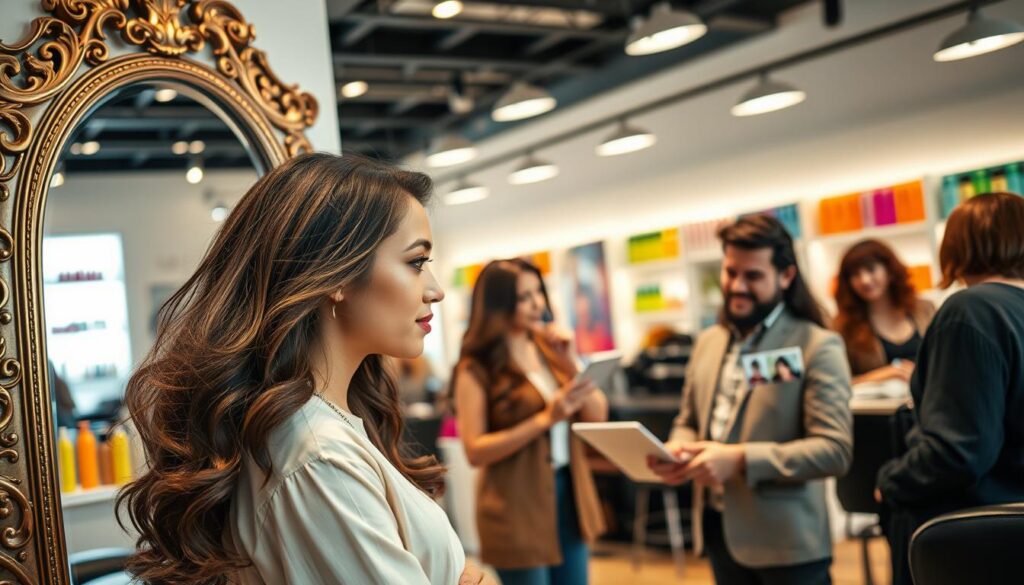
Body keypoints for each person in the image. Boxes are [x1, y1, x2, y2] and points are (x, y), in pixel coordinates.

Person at [118, 154, 491, 585]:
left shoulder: (326, 429)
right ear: (337, 275)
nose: (436, 290)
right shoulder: (319, 458)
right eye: (416, 263)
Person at [649, 214, 853, 585]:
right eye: (730, 272)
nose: (737, 286)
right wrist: (678, 448)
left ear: (786, 276)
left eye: (753, 276)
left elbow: (833, 450)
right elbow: (689, 420)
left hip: (788, 545)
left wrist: (740, 459)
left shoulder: (817, 346)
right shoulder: (708, 342)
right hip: (719, 534)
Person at [875, 192, 1024, 585]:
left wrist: (891, 481)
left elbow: (958, 451)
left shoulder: (971, 311)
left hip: (972, 536)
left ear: (957, 245)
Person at [453, 258, 608, 585]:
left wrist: (571, 362)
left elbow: (597, 414)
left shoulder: (548, 349)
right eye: (524, 297)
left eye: (539, 292)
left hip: (569, 493)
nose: (538, 303)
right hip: (515, 504)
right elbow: (475, 450)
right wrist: (546, 418)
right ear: (498, 304)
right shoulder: (476, 366)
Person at [833, 239, 935, 385]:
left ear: (890, 270)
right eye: (855, 274)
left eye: (871, 269)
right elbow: (839, 383)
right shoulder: (843, 326)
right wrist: (883, 375)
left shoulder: (925, 309)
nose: (865, 280)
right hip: (879, 401)